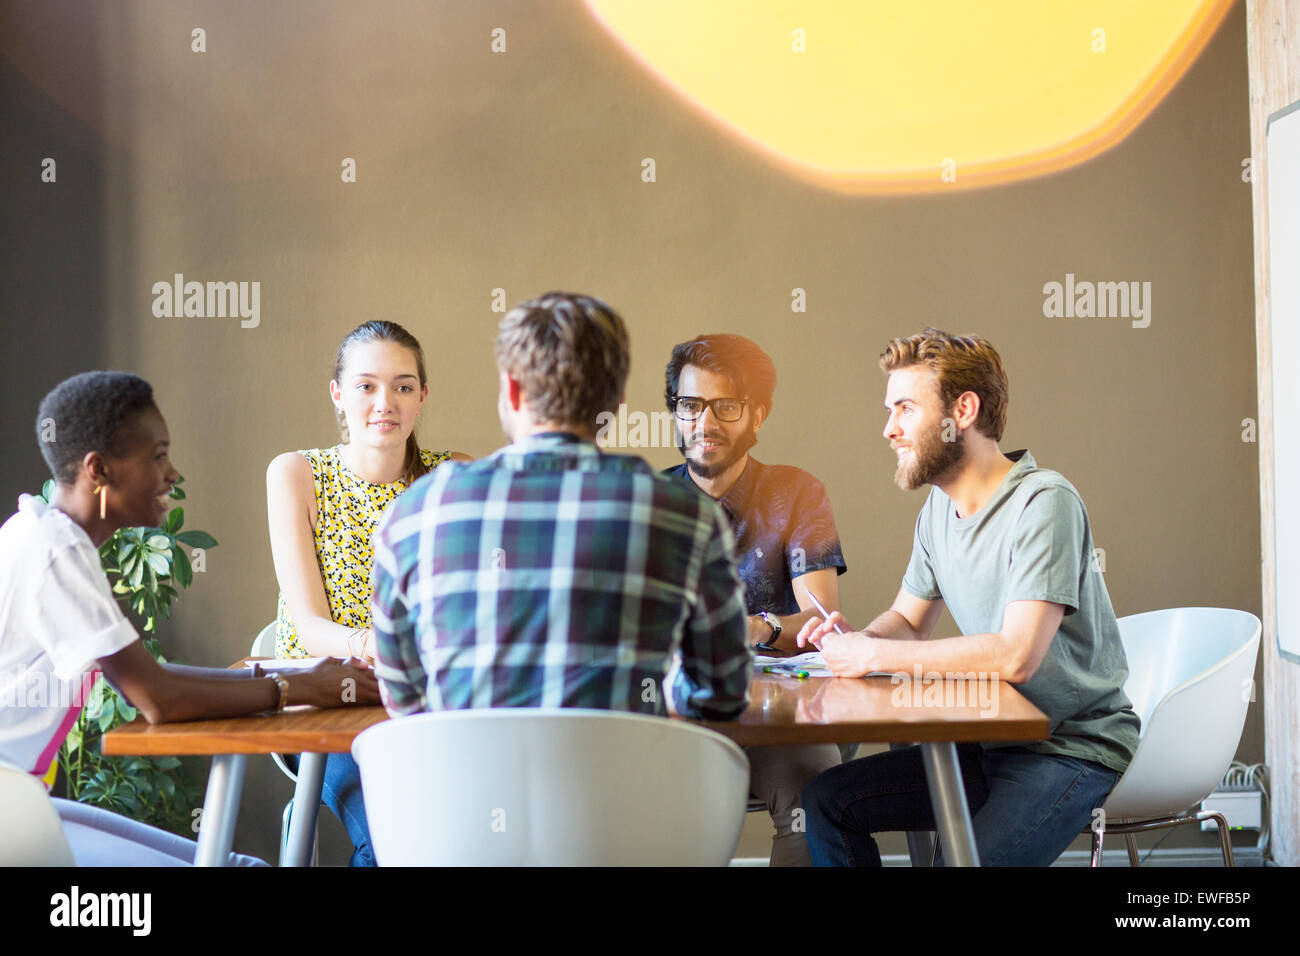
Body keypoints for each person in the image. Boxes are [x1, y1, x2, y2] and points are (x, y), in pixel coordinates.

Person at [0, 371, 378, 866]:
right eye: (157, 457)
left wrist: (293, 675)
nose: (172, 473)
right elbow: (158, 699)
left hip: (23, 800)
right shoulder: (57, 551)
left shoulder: (43, 534)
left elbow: (141, 681)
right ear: (99, 470)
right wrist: (301, 688)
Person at [797, 328, 1141, 866]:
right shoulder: (937, 511)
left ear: (963, 409)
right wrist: (857, 640)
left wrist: (876, 656)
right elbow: (908, 623)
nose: (889, 429)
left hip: (1069, 749)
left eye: (905, 409)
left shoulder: (1044, 502)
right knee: (826, 801)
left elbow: (1016, 656)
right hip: (986, 743)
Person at [370, 292, 751, 723]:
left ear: (511, 390)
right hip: (626, 789)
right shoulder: (688, 515)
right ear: (618, 402)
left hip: (468, 788)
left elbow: (406, 702)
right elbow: (724, 692)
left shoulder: (415, 514)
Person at [266, 320, 470, 867]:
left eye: (403, 386)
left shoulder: (454, 476)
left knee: (475, 827)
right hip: (319, 702)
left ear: (422, 396)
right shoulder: (297, 474)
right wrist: (371, 644)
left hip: (424, 707)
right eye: (366, 386)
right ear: (338, 394)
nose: (386, 402)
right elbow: (307, 624)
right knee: (394, 838)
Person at [662, 334, 846, 866]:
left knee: (814, 794)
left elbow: (819, 619)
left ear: (757, 415)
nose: (704, 423)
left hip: (776, 715)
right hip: (674, 713)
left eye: (726, 406)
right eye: (690, 405)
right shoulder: (651, 503)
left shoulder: (797, 492)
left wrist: (756, 628)